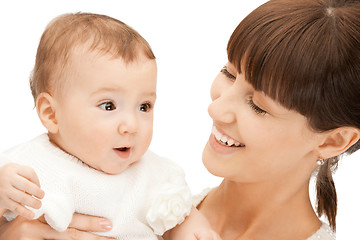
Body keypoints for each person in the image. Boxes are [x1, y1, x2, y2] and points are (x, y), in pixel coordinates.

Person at [1, 0, 360, 239]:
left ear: (331, 141)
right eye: (229, 74)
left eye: (259, 106)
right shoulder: (163, 199)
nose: (216, 110)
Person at [0, 12, 218, 240]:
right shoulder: (23, 169)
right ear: (51, 114)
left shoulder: (153, 175)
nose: (131, 125)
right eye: (108, 106)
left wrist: (196, 233)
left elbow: (181, 217)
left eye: (144, 107)